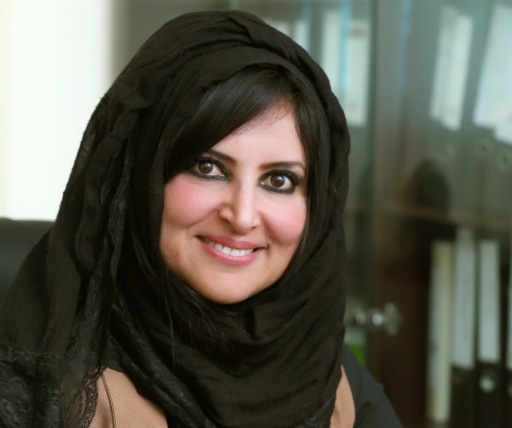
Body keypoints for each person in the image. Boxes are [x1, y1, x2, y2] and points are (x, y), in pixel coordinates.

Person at [0, 10, 402, 428]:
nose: (242, 216)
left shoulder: (327, 375)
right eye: (209, 168)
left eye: (279, 180)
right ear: (140, 176)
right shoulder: (51, 389)